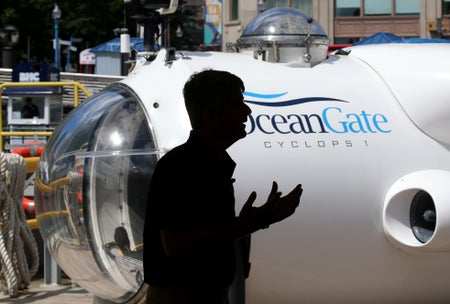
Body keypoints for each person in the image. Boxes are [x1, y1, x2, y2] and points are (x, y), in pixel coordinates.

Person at [143, 69, 303, 304]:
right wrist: (248, 224)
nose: (247, 112)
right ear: (212, 114)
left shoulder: (211, 163)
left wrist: (256, 221)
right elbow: (175, 245)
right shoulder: (180, 167)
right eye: (237, 105)